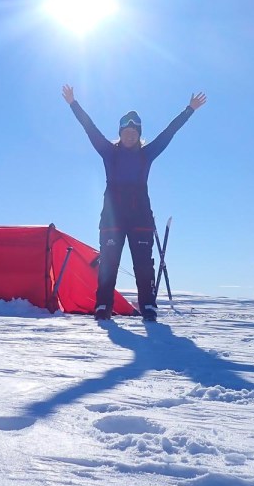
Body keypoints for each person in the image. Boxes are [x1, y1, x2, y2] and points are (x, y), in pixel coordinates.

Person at [62, 84, 206, 321]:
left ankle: (148, 306)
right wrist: (73, 103)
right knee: (108, 263)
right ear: (120, 133)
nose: (130, 135)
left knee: (143, 265)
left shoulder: (146, 154)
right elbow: (91, 129)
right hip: (112, 218)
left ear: (139, 135)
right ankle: (103, 306)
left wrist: (189, 110)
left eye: (134, 132)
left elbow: (168, 133)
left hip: (140, 217)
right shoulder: (109, 152)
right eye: (126, 131)